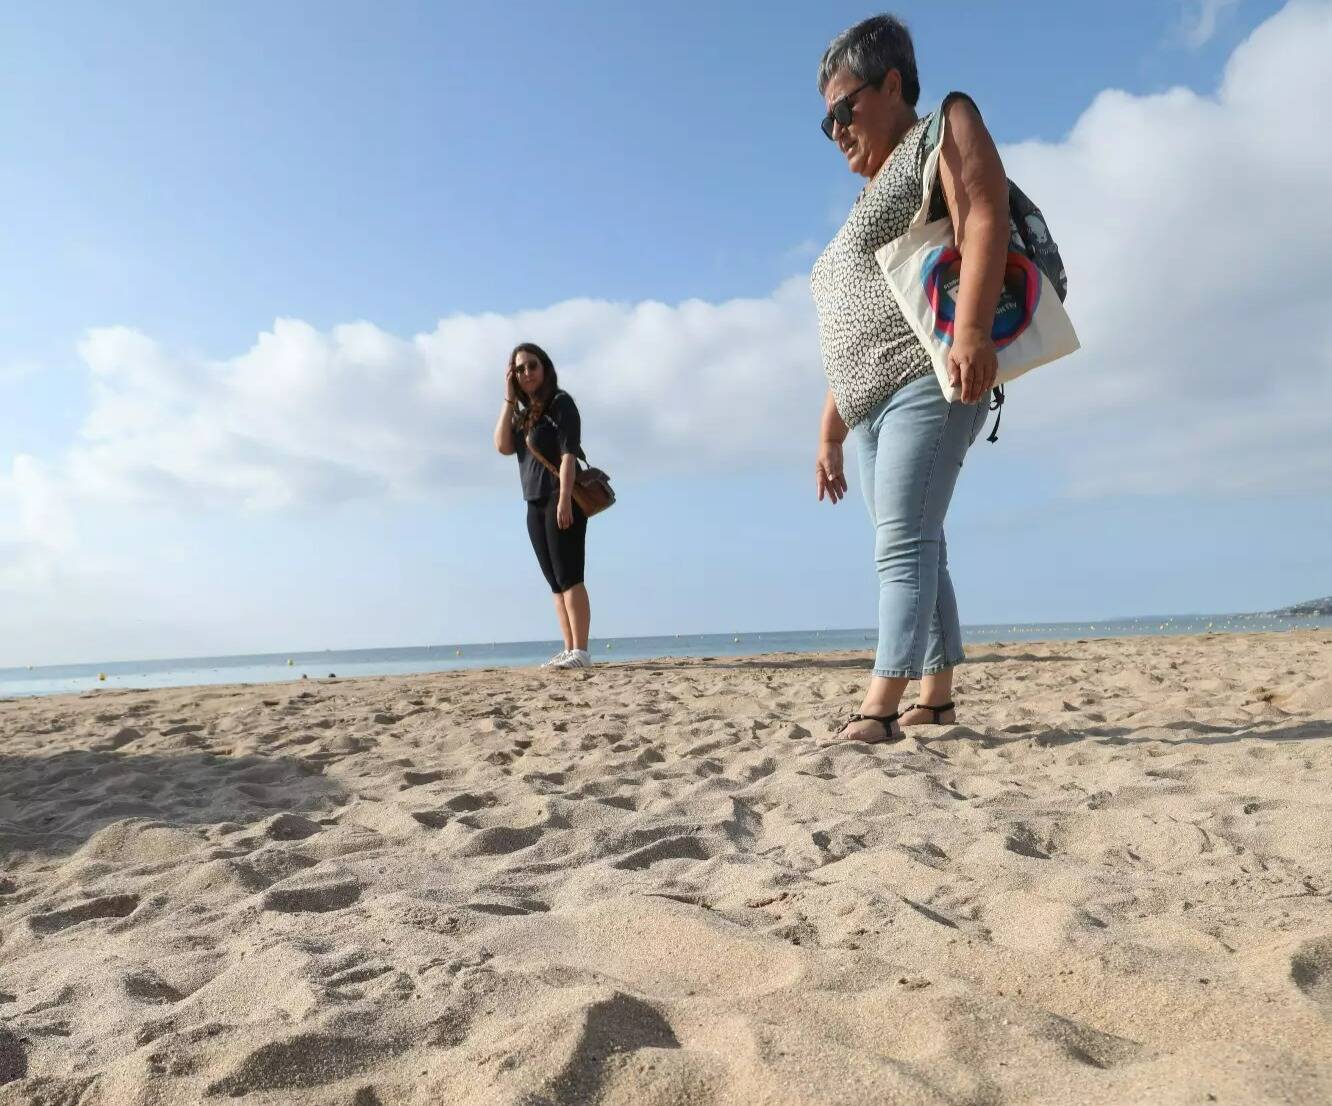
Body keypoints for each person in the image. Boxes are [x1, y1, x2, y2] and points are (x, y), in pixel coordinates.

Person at [810, 15, 1009, 742]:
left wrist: (974, 331)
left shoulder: (944, 125)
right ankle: (938, 697)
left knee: (902, 545)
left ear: (892, 84)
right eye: (824, 120)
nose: (835, 128)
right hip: (869, 403)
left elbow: (983, 210)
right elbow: (854, 324)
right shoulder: (870, 195)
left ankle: (882, 704)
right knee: (922, 542)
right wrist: (831, 430)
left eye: (843, 108)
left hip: (926, 376)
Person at [493, 343, 593, 669]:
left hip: (558, 497)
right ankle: (568, 649)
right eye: (519, 369)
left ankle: (581, 651)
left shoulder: (561, 404)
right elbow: (502, 446)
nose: (526, 373)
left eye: (531, 366)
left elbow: (568, 454)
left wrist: (564, 499)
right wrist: (509, 398)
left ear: (544, 367)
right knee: (554, 581)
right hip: (533, 502)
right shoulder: (524, 415)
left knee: (570, 576)